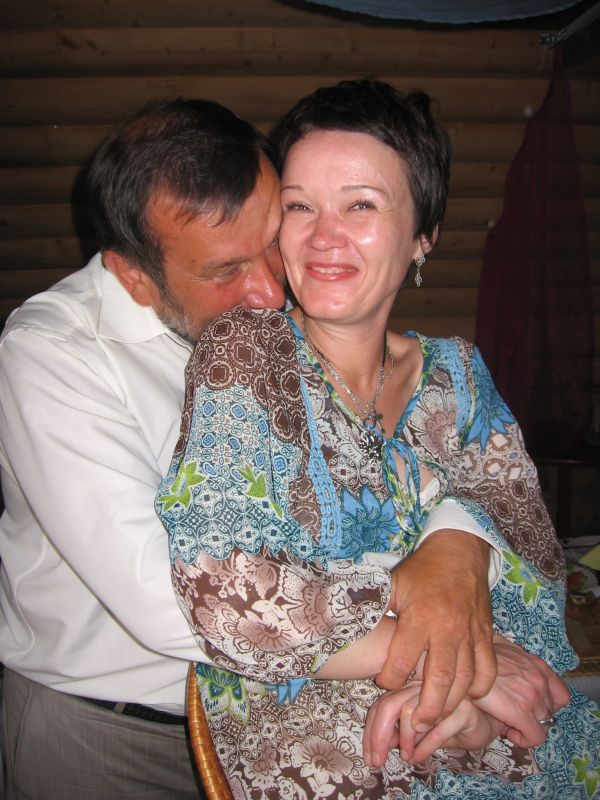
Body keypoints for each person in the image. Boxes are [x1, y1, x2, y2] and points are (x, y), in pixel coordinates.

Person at [0, 96, 501, 800]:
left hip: (288, 719)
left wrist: (456, 544)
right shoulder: (52, 355)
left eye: (272, 240)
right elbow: (168, 596)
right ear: (133, 275)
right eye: (224, 271)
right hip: (112, 731)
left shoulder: (300, 335)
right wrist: (448, 656)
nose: (269, 291)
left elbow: (408, 470)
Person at [156, 80, 600, 799]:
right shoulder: (246, 357)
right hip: (316, 728)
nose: (322, 236)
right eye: (299, 206)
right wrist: (449, 665)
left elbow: (533, 557)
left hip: (479, 715)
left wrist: (458, 548)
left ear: (425, 235)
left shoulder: (459, 375)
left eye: (361, 204)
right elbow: (229, 592)